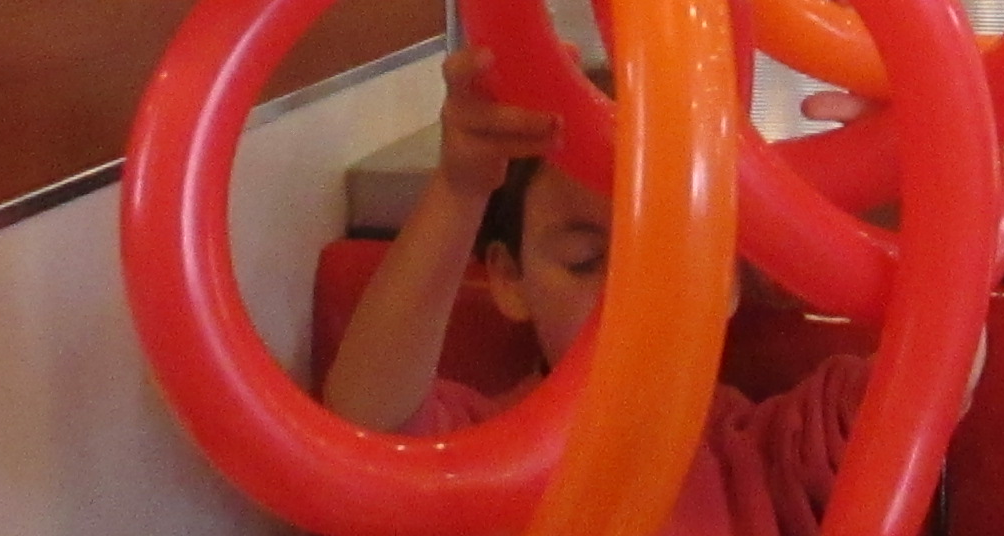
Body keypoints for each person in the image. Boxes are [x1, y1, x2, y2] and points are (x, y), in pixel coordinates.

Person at [322, 47, 870, 536]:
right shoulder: (479, 450)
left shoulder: (777, 455)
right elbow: (367, 429)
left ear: (728, 281)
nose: (629, 303)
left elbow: (919, 380)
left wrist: (898, 153)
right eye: (586, 261)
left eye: (672, 259)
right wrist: (460, 185)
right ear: (511, 279)